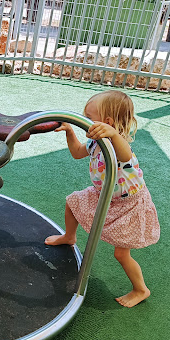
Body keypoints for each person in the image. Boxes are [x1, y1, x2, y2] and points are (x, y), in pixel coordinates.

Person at [45, 90, 160, 308]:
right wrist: (69, 131)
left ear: (107, 122)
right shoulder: (95, 142)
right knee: (72, 202)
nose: (84, 122)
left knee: (121, 254)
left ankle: (140, 289)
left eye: (88, 118)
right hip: (105, 194)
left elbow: (125, 155)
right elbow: (77, 152)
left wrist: (113, 135)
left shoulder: (118, 144)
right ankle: (69, 236)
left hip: (129, 204)